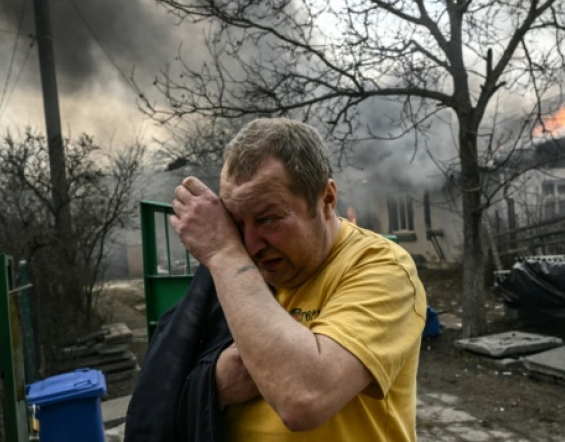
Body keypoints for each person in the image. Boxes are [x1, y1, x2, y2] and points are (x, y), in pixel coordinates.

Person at [169, 117, 427, 441]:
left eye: (268, 219)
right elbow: (166, 386)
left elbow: (304, 397)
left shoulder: (382, 267)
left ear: (327, 200)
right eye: (235, 223)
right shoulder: (234, 269)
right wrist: (215, 385)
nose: (250, 245)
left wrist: (223, 253)